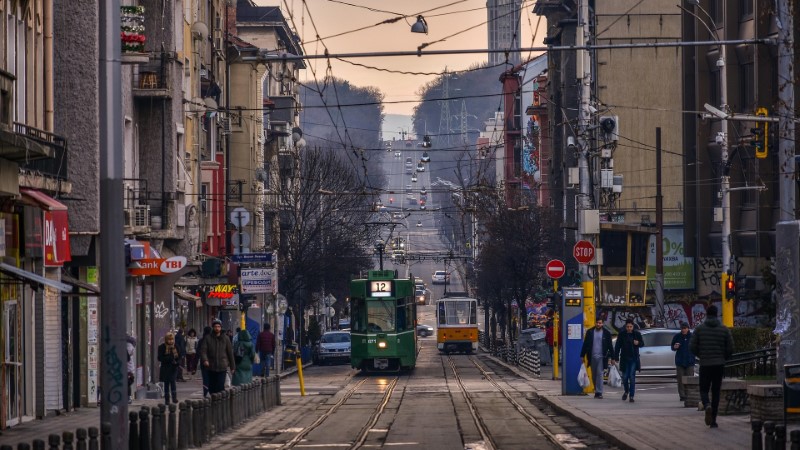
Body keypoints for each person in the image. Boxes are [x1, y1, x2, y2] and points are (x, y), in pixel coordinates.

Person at [690, 305, 734, 428]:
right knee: (716, 391)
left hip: (705, 364)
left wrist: (701, 354)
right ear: (717, 314)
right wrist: (723, 357)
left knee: (704, 389)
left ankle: (706, 404)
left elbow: (692, 346)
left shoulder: (699, 329)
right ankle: (713, 420)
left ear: (706, 314)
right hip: (719, 365)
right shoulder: (724, 329)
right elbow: (730, 347)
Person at [580, 317, 614, 399]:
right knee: (594, 375)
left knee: (600, 374)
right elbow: (585, 344)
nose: (598, 324)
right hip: (592, 356)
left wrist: (613, 357)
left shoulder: (606, 333)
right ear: (595, 323)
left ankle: (599, 392)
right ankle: (596, 390)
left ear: (602, 324)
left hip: (602, 357)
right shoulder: (590, 332)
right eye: (597, 323)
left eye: (600, 323)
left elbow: (610, 346)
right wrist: (582, 355)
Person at [199, 318, 235, 395]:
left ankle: (220, 404)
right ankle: (213, 402)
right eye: (215, 326)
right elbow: (203, 351)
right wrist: (205, 360)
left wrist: (232, 367)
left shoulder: (226, 338)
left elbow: (230, 353)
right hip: (211, 367)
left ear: (221, 328)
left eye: (218, 326)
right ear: (213, 327)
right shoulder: (208, 338)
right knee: (212, 387)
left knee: (220, 386)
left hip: (222, 367)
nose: (217, 328)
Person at [614, 319, 644, 403]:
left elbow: (642, 344)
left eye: (630, 327)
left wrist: (637, 343)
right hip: (624, 358)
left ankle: (631, 395)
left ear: (633, 326)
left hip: (634, 358)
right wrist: (616, 357)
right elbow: (617, 346)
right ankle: (626, 391)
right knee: (625, 377)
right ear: (625, 326)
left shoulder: (636, 334)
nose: (629, 328)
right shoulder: (622, 335)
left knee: (632, 377)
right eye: (627, 327)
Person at [671, 321, 696, 402]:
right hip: (680, 361)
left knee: (690, 379)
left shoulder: (692, 337)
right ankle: (682, 395)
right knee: (681, 380)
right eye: (682, 328)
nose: (683, 330)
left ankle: (690, 394)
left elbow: (696, 346)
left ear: (688, 328)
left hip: (690, 361)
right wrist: (675, 347)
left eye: (685, 328)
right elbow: (672, 346)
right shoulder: (677, 336)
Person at [157, 332, 181, 404]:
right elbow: (160, 358)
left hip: (173, 368)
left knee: (173, 382)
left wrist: (177, 362)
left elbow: (179, 356)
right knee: (166, 384)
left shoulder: (176, 346)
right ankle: (167, 399)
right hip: (165, 368)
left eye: (172, 339)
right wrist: (169, 358)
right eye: (169, 339)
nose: (171, 341)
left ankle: (174, 398)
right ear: (166, 340)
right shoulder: (162, 347)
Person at [198, 326, 212, 397]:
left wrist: (194, 367)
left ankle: (205, 392)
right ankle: (211, 391)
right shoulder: (212, 339)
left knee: (205, 378)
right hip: (212, 361)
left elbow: (198, 352)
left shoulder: (201, 340)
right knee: (212, 377)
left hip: (203, 362)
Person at [126, 334, 137, 404]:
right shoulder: (131, 345)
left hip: (128, 368)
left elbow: (127, 357)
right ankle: (128, 397)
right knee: (127, 383)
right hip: (129, 368)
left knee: (127, 383)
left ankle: (128, 397)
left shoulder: (128, 346)